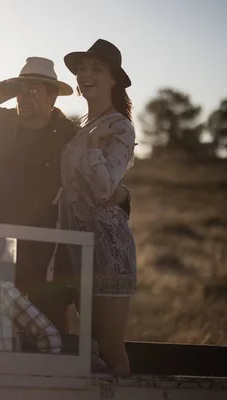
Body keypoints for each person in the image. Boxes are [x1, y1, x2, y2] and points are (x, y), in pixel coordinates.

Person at [0, 57, 131, 335]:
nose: (25, 96)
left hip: (43, 254)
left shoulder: (68, 135)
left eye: (35, 89)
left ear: (52, 97)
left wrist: (120, 197)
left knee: (45, 331)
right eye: (21, 89)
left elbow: (96, 187)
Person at [59, 39, 137, 375]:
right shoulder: (83, 127)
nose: (85, 75)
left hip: (107, 248)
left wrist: (91, 148)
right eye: (81, 69)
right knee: (83, 346)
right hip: (75, 245)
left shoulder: (119, 126)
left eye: (96, 69)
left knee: (109, 348)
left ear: (114, 80)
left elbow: (105, 191)